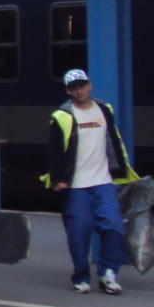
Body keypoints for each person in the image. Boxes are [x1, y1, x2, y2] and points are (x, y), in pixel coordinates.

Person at [44, 68, 138, 294]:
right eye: (74, 88)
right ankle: (81, 276)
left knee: (114, 226)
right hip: (75, 185)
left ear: (89, 85)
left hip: (103, 181)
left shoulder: (104, 110)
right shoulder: (62, 116)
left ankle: (108, 273)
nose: (79, 91)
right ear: (68, 91)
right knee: (79, 232)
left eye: (82, 86)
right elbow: (55, 151)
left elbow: (113, 140)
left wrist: (121, 170)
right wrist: (58, 179)